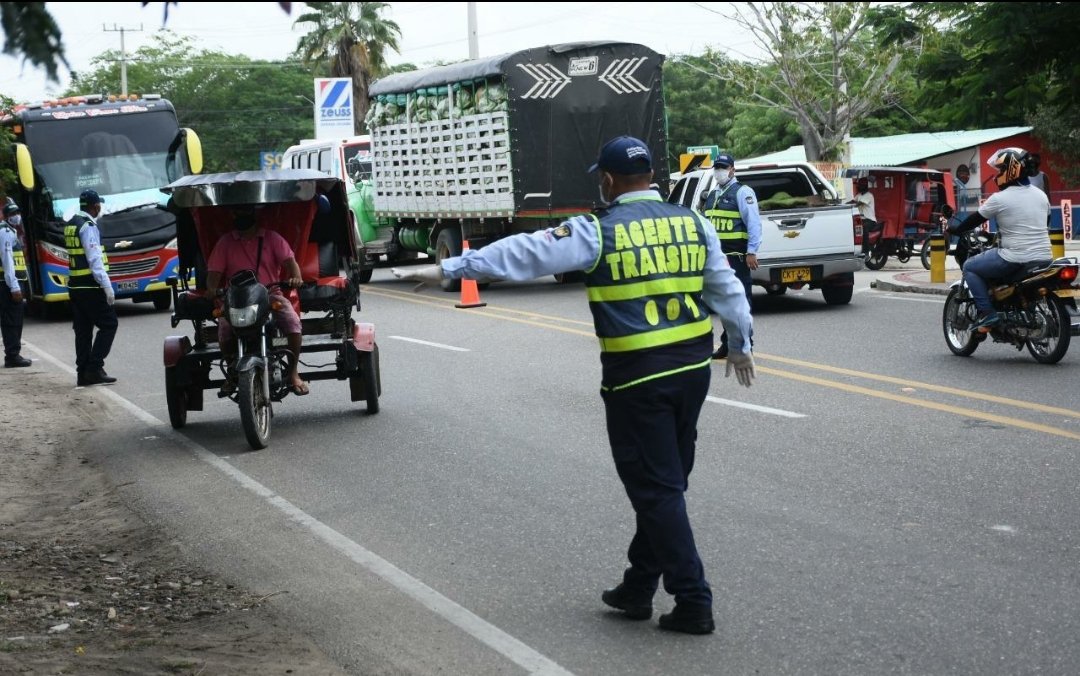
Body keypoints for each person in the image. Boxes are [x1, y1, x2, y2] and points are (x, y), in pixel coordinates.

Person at [391, 136, 755, 635]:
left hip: (638, 378)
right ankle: (637, 587)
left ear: (607, 180)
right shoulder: (693, 222)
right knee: (666, 483)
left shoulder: (597, 231)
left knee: (657, 490)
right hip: (692, 372)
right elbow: (727, 289)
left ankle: (693, 600)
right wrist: (740, 343)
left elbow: (525, 253)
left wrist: (451, 268)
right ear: (652, 175)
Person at [204, 205, 309, 396]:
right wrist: (211, 289)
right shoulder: (225, 243)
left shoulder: (272, 239)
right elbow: (213, 274)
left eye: (244, 211)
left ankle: (293, 373)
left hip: (270, 295)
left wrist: (296, 278)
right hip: (236, 299)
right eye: (237, 212)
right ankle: (232, 374)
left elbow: (291, 264)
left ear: (254, 213)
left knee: (293, 323)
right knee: (224, 328)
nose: (240, 215)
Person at [946, 147, 1051, 331]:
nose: (998, 174)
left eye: (1001, 169)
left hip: (1014, 258)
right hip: (1044, 258)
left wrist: (955, 229)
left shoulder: (999, 198)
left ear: (1011, 170)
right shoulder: (1041, 195)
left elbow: (974, 220)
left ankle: (988, 314)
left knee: (970, 266)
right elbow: (1043, 223)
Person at [697, 152, 760, 359]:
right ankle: (728, 343)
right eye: (717, 167)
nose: (719, 171)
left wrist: (751, 251)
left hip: (737, 257)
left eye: (723, 167)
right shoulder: (713, 194)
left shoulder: (743, 192)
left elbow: (754, 224)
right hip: (717, 259)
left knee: (739, 303)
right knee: (723, 303)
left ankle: (745, 346)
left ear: (732, 169)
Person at [65, 189, 118, 386]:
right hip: (91, 286)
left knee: (83, 330)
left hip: (76, 286)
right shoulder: (88, 226)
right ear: (95, 206)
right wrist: (107, 287)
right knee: (109, 324)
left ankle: (83, 373)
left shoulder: (71, 224)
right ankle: (94, 368)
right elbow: (95, 260)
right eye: (99, 205)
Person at [0, 202, 31, 367]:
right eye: (12, 213)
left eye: (17, 212)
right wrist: (14, 287)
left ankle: (13, 354)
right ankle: (12, 356)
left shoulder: (11, 231)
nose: (16, 216)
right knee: (12, 321)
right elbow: (7, 262)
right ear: (6, 216)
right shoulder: (5, 232)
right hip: (8, 284)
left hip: (13, 282)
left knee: (15, 319)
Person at [847, 177, 881, 254]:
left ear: (865, 186)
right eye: (859, 185)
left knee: (863, 228)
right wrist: (844, 205)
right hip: (861, 219)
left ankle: (866, 251)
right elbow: (852, 201)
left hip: (870, 220)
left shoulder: (869, 195)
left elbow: (858, 203)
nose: (859, 186)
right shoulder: (859, 195)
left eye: (861, 185)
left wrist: (851, 204)